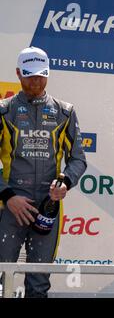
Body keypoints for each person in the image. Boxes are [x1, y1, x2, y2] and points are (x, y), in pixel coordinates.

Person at [0, 47, 87, 297]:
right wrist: (7, 195)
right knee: (1, 278)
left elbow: (78, 159)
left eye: (41, 75)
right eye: (30, 75)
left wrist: (65, 182)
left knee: (39, 283)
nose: (36, 81)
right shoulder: (5, 110)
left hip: (47, 206)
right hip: (9, 206)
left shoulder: (64, 112)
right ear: (18, 73)